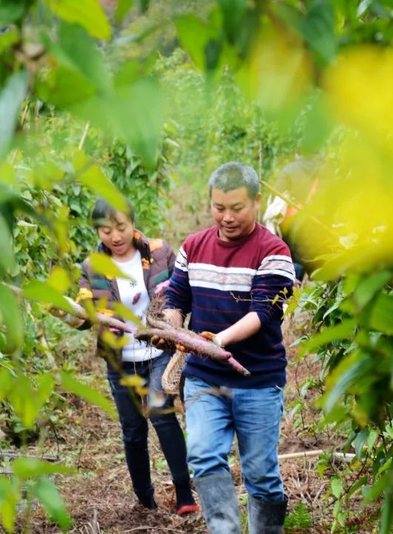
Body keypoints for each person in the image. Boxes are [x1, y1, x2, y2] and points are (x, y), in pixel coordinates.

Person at [159, 162, 296, 533]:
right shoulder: (193, 246)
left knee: (261, 475)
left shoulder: (275, 251)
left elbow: (264, 313)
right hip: (204, 378)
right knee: (203, 455)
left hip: (258, 380)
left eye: (237, 208)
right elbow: (177, 298)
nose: (228, 217)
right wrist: (175, 331)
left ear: (256, 202)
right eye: (219, 208)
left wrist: (218, 340)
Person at [67, 198, 198, 516]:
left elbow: (182, 292)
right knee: (132, 430)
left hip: (158, 351)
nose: (115, 237)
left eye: (121, 227)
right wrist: (69, 314)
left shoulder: (159, 252)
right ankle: (145, 500)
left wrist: (173, 322)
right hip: (120, 359)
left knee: (161, 412)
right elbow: (85, 311)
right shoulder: (93, 266)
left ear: (133, 224)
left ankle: (184, 494)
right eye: (105, 230)